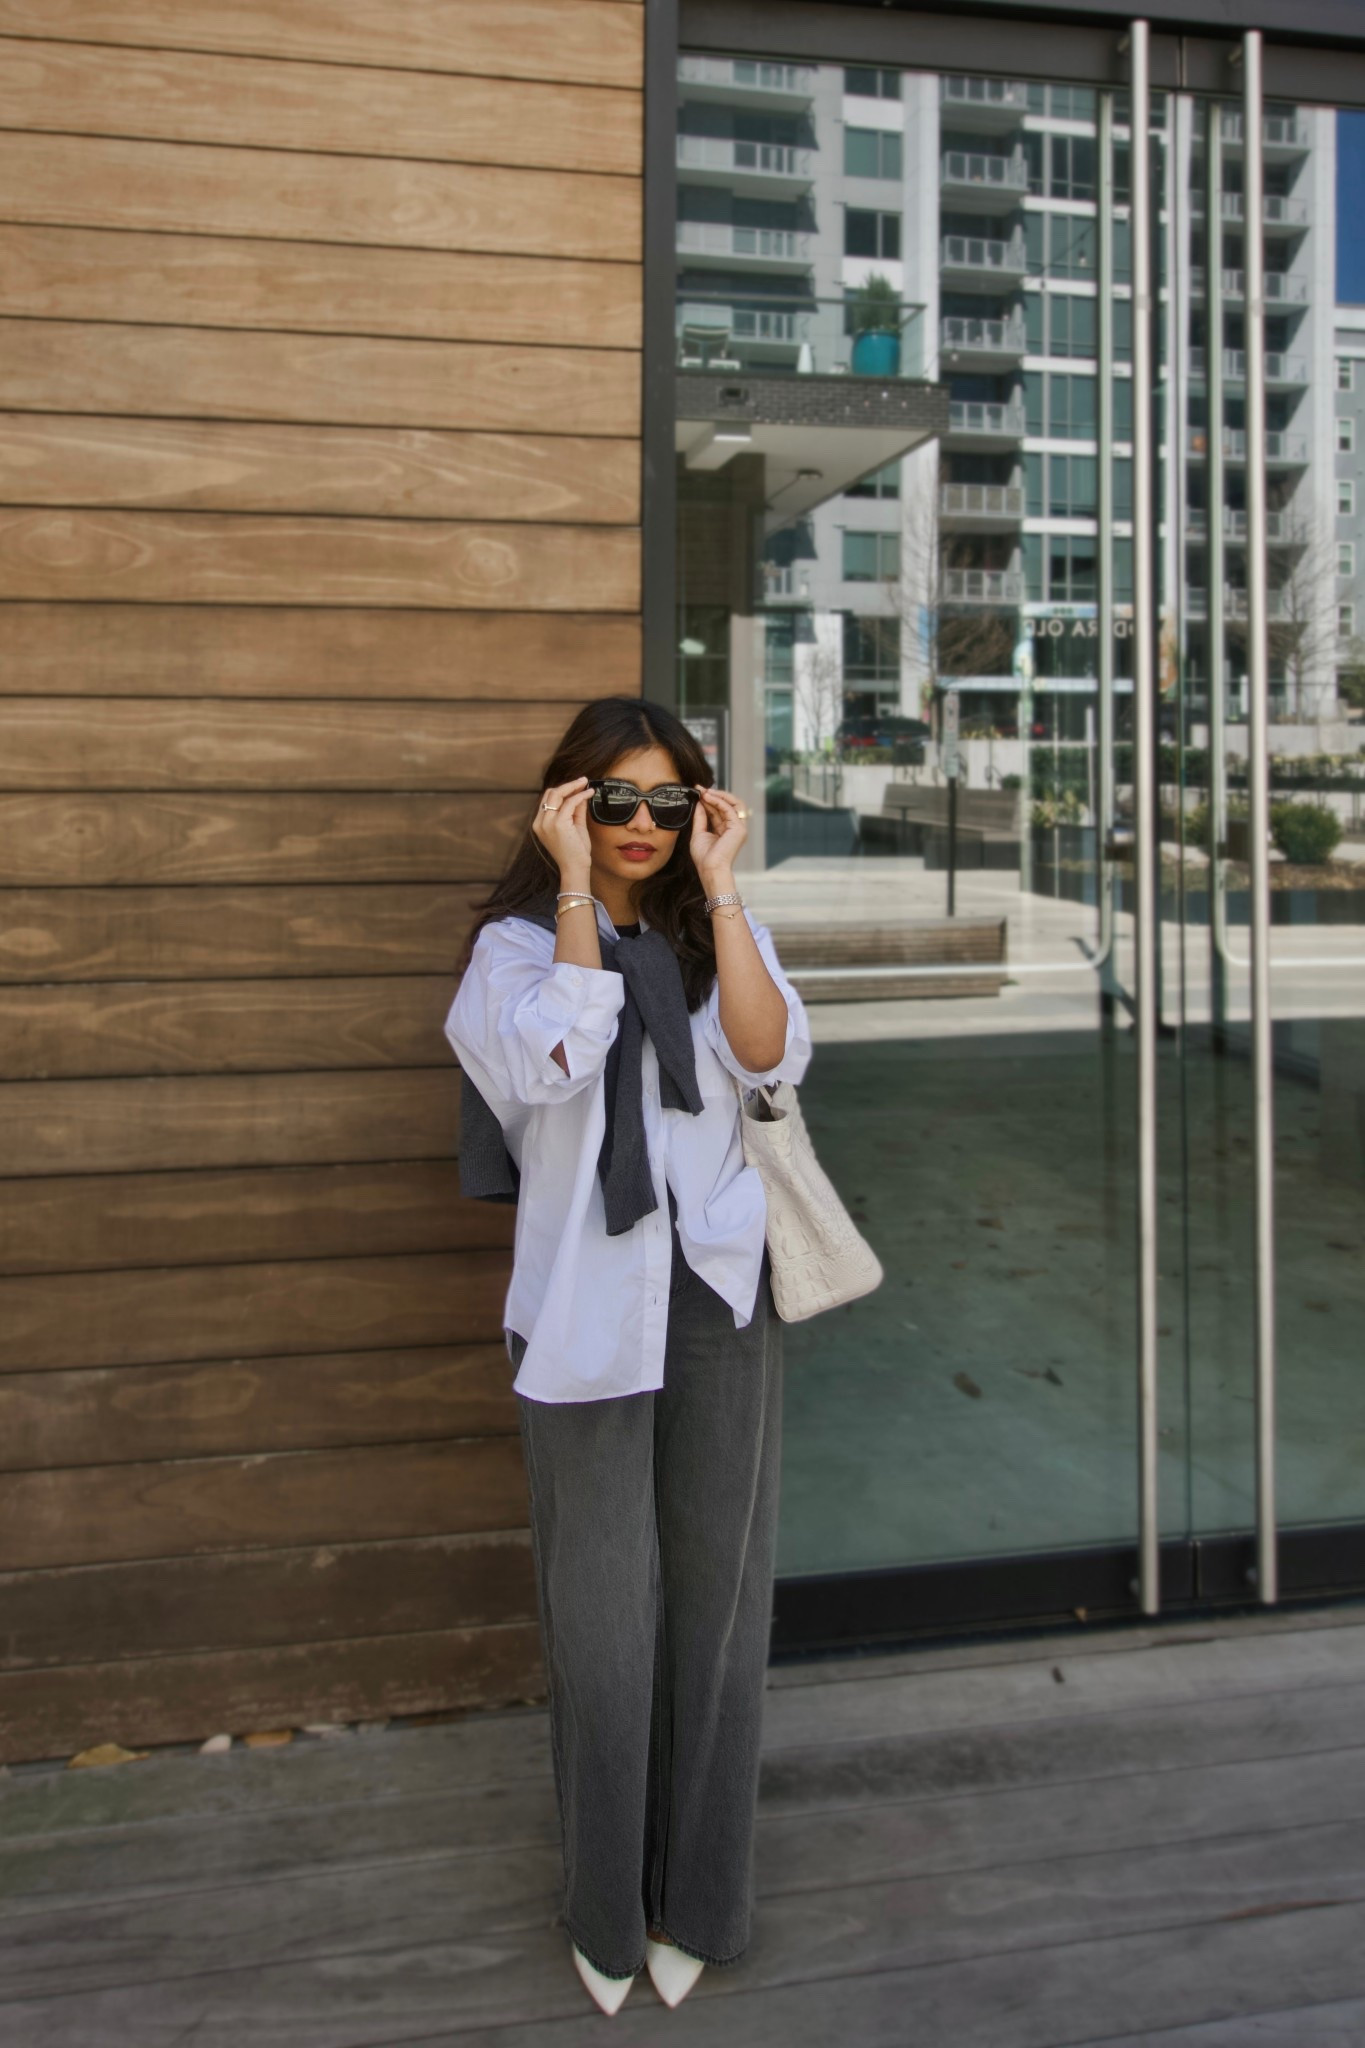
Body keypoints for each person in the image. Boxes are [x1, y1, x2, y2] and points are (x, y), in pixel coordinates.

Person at [443, 696, 812, 2014]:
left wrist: (721, 894)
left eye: (669, 802)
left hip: (715, 1298)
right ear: (567, 808)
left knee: (713, 1618)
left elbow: (772, 1059)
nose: (642, 825)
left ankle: (701, 1896)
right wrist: (568, 901)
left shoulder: (722, 937)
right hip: (585, 1318)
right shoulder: (509, 958)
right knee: (604, 1631)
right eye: (615, 800)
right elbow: (555, 1063)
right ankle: (606, 1909)